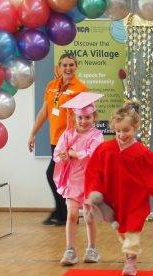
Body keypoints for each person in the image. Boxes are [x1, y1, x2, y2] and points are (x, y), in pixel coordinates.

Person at [84, 100, 153, 276]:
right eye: (118, 130)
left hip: (135, 198)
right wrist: (93, 191)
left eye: (126, 130)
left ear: (135, 128)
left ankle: (130, 260)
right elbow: (94, 171)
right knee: (121, 230)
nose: (122, 134)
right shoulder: (106, 149)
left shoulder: (141, 152)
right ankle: (128, 252)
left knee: (133, 229)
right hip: (115, 197)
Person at [28, 53, 88, 226]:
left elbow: (84, 117)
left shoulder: (80, 88)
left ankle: (64, 213)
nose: (68, 68)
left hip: (69, 141)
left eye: (71, 65)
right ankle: (63, 213)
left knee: (52, 174)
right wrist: (33, 133)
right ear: (59, 67)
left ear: (76, 66)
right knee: (59, 177)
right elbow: (44, 111)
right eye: (65, 65)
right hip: (54, 139)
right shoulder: (52, 85)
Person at [53, 92, 104, 266]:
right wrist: (63, 156)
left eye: (88, 117)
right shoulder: (67, 135)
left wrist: (72, 153)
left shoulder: (97, 135)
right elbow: (58, 154)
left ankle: (92, 248)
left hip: (90, 181)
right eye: (80, 118)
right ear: (75, 117)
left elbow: (91, 154)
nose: (84, 121)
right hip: (73, 181)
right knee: (72, 214)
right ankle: (70, 250)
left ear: (93, 117)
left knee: (89, 216)